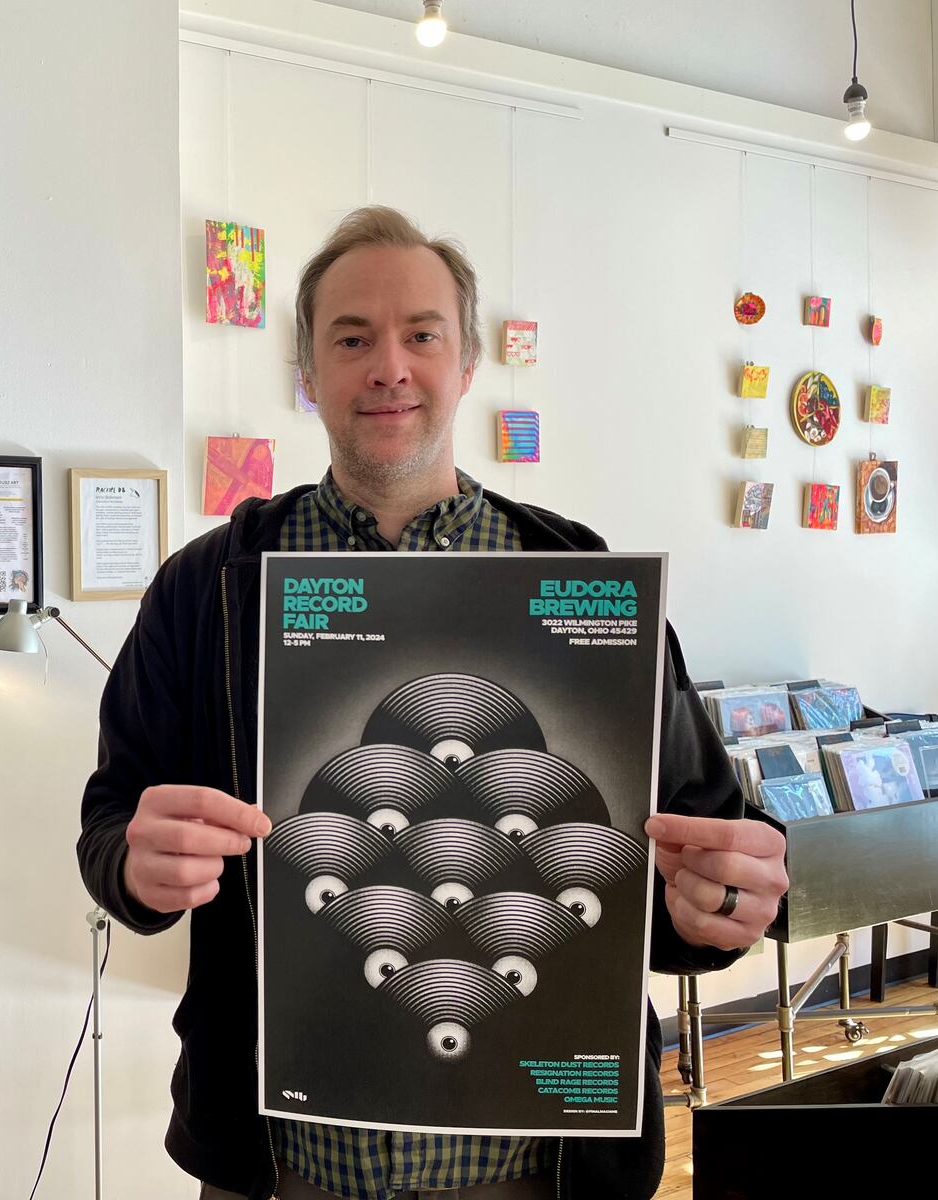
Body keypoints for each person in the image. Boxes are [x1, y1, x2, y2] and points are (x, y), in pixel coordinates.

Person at [78, 207, 789, 1200]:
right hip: (285, 1169)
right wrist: (137, 866)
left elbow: (699, 850)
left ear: (465, 362)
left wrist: (725, 899)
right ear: (308, 369)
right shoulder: (210, 589)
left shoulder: (583, 581)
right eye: (352, 338)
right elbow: (110, 825)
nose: (389, 367)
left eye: (421, 334)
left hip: (534, 1169)